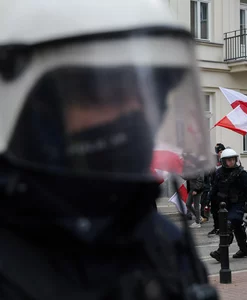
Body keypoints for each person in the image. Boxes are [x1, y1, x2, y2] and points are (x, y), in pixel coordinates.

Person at [0, 1, 217, 299]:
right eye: (105, 93)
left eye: (148, 96)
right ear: (36, 111)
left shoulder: (164, 241)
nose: (135, 116)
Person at [209, 149, 247, 261]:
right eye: (228, 160)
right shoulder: (219, 173)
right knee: (238, 227)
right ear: (223, 161)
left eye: (233, 159)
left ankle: (221, 252)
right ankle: (244, 249)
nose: (231, 162)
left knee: (228, 226)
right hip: (224, 205)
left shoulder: (241, 173)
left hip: (237, 205)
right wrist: (207, 201)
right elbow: (214, 189)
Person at [207, 143, 226, 236]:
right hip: (215, 189)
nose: (220, 153)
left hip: (223, 191)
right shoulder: (215, 161)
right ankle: (216, 227)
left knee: (223, 211)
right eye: (218, 152)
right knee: (214, 211)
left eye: (221, 151)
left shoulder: (228, 160)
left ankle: (224, 228)